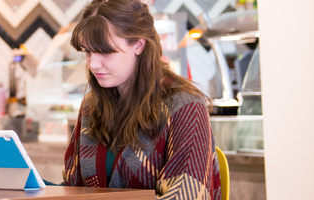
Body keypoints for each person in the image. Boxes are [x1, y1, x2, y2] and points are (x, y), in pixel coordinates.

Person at [60, 0, 221, 199]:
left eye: (105, 51)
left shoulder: (185, 106)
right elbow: (72, 187)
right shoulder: (91, 106)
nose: (93, 64)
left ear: (138, 45)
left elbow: (189, 195)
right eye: (88, 51)